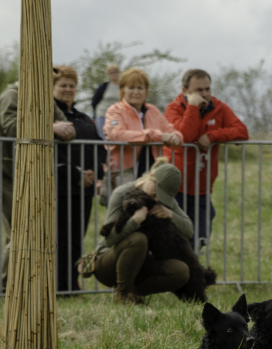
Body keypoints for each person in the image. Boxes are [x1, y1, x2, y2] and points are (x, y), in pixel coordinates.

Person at [0, 76, 75, 290]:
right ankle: (6, 286)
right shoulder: (11, 95)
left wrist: (57, 128)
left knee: (33, 230)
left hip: (34, 174)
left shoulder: (45, 98)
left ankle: (24, 283)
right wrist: (50, 127)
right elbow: (10, 127)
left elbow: (68, 128)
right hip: (7, 173)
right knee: (17, 230)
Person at [165, 69, 249, 250]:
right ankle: (179, 271)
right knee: (177, 236)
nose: (204, 94)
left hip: (202, 186)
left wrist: (212, 136)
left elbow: (242, 132)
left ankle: (187, 269)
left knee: (201, 235)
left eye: (207, 89)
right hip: (176, 186)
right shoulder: (173, 108)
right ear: (185, 91)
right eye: (198, 90)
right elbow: (184, 136)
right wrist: (193, 107)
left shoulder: (219, 107)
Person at [93, 159, 193, 304]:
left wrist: (170, 214)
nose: (158, 198)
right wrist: (135, 221)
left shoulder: (161, 199)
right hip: (107, 264)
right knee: (138, 239)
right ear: (152, 176)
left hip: (138, 264)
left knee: (181, 271)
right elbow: (109, 240)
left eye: (163, 196)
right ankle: (122, 296)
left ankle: (134, 294)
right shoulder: (121, 193)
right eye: (156, 192)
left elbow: (189, 230)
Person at [53, 65, 108, 292]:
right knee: (60, 239)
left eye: (72, 85)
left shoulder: (84, 118)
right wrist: (77, 174)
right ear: (53, 87)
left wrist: (95, 173)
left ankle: (71, 282)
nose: (68, 89)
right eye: (62, 85)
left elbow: (99, 149)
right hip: (60, 188)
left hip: (84, 190)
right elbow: (54, 154)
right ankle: (57, 283)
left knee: (77, 238)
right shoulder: (51, 118)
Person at [103, 68, 183, 186]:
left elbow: (172, 131)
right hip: (124, 174)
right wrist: (156, 136)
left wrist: (176, 137)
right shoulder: (114, 111)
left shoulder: (153, 111)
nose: (136, 92)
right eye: (131, 87)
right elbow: (117, 135)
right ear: (122, 90)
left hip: (151, 175)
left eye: (140, 88)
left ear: (146, 92)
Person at [91, 64, 120, 139]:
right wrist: (94, 115)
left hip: (115, 117)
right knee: (103, 137)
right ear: (108, 75)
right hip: (102, 115)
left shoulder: (123, 87)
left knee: (114, 136)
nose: (114, 74)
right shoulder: (103, 87)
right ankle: (103, 151)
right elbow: (94, 101)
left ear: (119, 73)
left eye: (115, 72)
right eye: (111, 72)